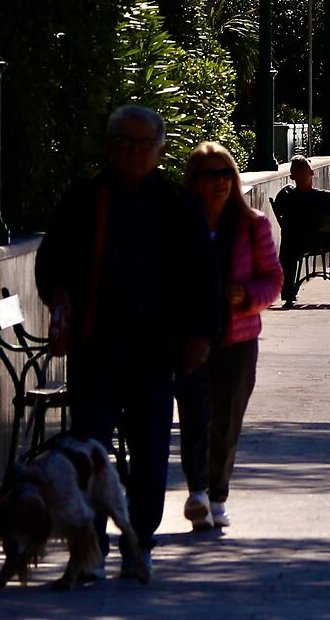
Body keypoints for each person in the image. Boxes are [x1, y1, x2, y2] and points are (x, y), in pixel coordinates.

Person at [35, 106, 220, 548]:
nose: (134, 152)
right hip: (94, 346)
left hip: (155, 350)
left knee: (151, 450)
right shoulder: (83, 199)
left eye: (144, 144)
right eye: (125, 142)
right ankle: (91, 543)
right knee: (91, 449)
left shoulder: (179, 204)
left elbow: (203, 276)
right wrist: (58, 295)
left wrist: (201, 335)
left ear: (159, 149)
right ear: (110, 145)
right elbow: (51, 262)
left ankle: (139, 536)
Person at [176, 141, 282, 533]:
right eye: (210, 175)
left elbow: (273, 278)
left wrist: (248, 296)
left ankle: (217, 495)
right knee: (194, 417)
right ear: (194, 180)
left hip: (238, 339)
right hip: (190, 337)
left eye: (226, 173)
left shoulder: (252, 224)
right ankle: (197, 493)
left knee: (227, 420)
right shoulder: (179, 225)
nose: (220, 182)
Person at [275, 157, 330, 262]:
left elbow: (280, 210)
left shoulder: (286, 198)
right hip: (322, 242)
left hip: (294, 243)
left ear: (292, 177)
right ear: (312, 173)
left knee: (289, 233)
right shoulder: (326, 197)